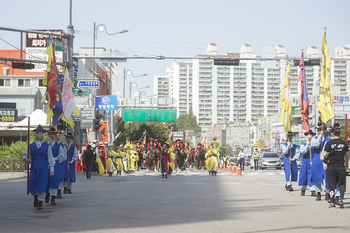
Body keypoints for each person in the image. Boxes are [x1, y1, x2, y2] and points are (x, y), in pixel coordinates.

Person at [23, 125, 55, 210]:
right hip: (34, 167)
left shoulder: (46, 146)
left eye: (42, 133)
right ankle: (35, 197)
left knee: (42, 184)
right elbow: (26, 156)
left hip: (44, 167)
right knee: (33, 184)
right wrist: (26, 159)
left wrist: (51, 169)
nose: (41, 135)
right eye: (39, 133)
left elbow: (50, 158)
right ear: (36, 135)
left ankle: (40, 201)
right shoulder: (31, 146)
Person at [322, 122, 350, 208]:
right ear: (339, 133)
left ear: (332, 133)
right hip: (341, 166)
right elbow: (348, 155)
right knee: (341, 184)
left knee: (332, 185)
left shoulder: (329, 143)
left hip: (331, 167)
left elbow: (324, 154)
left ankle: (333, 203)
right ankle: (341, 200)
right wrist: (346, 163)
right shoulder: (344, 143)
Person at [45, 127, 65, 205]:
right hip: (46, 164)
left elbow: (62, 156)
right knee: (46, 180)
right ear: (48, 135)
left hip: (55, 164)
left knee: (54, 180)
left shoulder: (58, 145)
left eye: (53, 134)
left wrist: (54, 158)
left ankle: (53, 196)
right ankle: (47, 193)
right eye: (51, 134)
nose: (52, 136)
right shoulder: (45, 145)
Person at [310, 122, 326, 201]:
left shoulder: (327, 139)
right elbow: (315, 145)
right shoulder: (314, 139)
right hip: (316, 159)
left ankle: (327, 192)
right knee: (316, 176)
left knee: (325, 177)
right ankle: (318, 193)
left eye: (320, 130)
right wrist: (319, 136)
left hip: (325, 160)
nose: (319, 131)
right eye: (318, 130)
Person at [298, 130, 316, 197]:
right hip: (305, 161)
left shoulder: (314, 145)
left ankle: (313, 190)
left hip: (312, 161)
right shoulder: (303, 145)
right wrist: (307, 145)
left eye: (311, 135)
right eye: (308, 135)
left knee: (312, 176)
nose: (310, 136)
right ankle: (303, 189)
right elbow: (303, 152)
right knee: (303, 176)